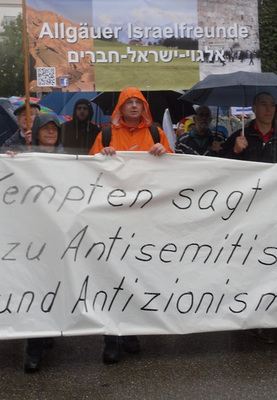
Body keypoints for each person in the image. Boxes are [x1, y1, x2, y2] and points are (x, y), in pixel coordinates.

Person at [88, 87, 173, 364]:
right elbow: (89, 173)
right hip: (112, 219)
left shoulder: (156, 134)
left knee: (137, 274)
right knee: (111, 276)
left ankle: (131, 330)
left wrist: (165, 152)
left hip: (145, 217)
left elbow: (175, 170)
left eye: (139, 102)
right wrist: (102, 157)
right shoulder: (106, 135)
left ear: (145, 107)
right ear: (121, 108)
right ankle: (111, 337)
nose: (134, 106)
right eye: (129, 102)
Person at [221, 92, 277, 343]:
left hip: (274, 214)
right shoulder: (238, 136)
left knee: (270, 265)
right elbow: (220, 171)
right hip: (245, 214)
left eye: (272, 105)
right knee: (245, 265)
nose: (268, 109)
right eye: (263, 104)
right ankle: (244, 313)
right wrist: (234, 150)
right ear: (253, 108)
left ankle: (264, 316)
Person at [19, 111, 65, 373]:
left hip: (59, 237)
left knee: (55, 286)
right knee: (35, 289)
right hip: (31, 238)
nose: (50, 132)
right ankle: (33, 348)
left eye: (54, 129)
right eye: (45, 128)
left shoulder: (70, 161)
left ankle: (50, 331)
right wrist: (13, 160)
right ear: (35, 132)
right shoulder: (23, 158)